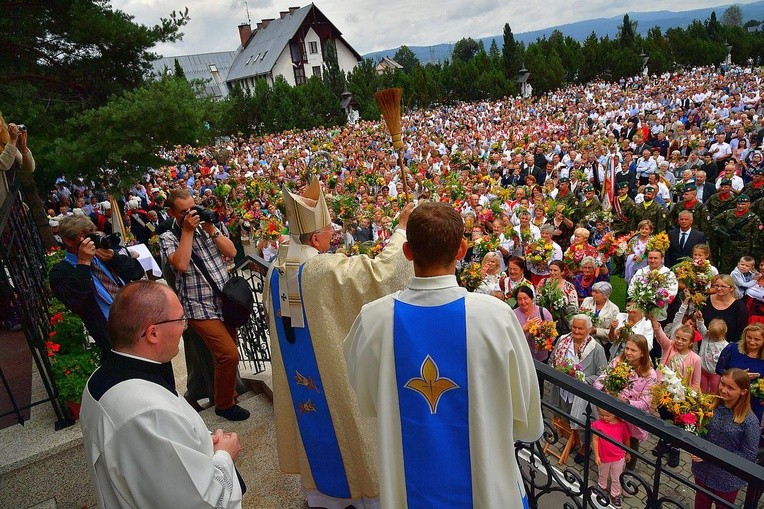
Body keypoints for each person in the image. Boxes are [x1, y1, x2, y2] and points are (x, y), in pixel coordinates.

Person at [344, 202, 543, 507]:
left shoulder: (373, 319)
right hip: (487, 485)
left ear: (407, 252)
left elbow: (369, 400)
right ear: (462, 250)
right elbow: (527, 414)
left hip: (408, 490)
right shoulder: (497, 317)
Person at [264, 178, 414, 509]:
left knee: (313, 422)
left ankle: (320, 498)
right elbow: (381, 276)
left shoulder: (276, 268)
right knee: (345, 427)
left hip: (299, 369)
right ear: (315, 237)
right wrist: (402, 229)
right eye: (329, 230)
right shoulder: (322, 269)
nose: (333, 234)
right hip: (331, 379)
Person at [79, 280, 244, 509]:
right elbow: (197, 502)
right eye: (180, 320)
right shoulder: (146, 411)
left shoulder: (102, 377)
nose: (184, 327)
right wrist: (225, 455)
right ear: (153, 333)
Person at [159, 188, 249, 421]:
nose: (190, 214)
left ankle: (228, 395)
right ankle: (224, 404)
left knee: (228, 354)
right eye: (183, 211)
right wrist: (187, 231)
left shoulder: (205, 227)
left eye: (193, 208)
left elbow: (230, 251)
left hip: (224, 302)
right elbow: (180, 264)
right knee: (229, 355)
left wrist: (211, 229)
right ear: (172, 213)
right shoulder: (168, 236)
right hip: (198, 307)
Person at [49, 215, 145, 355]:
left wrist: (114, 258)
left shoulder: (102, 254)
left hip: (139, 317)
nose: (91, 241)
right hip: (112, 332)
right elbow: (75, 300)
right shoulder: (61, 272)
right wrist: (83, 264)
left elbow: (137, 272)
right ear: (67, 241)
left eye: (91, 234)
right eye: (84, 237)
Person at [691, 368, 760, 509]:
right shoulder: (711, 404)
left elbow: (748, 455)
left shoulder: (750, 421)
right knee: (700, 504)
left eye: (731, 388)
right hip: (702, 470)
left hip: (727, 479)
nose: (723, 390)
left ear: (743, 392)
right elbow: (700, 430)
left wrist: (709, 453)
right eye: (722, 383)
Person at [548, 314, 608, 464]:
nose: (576, 331)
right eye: (574, 327)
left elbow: (602, 375)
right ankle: (570, 437)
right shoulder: (563, 340)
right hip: (562, 390)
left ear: (588, 330)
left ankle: (585, 446)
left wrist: (581, 379)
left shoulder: (596, 349)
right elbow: (551, 360)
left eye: (580, 328)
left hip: (581, 394)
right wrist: (557, 372)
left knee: (582, 423)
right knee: (563, 415)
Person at [594, 334, 657, 471]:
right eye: (627, 348)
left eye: (633, 350)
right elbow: (598, 381)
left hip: (631, 421)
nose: (628, 352)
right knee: (608, 444)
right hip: (611, 417)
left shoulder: (650, 374)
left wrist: (627, 402)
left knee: (630, 448)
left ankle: (628, 474)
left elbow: (646, 403)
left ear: (642, 353)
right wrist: (606, 388)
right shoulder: (617, 361)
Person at [715, 323, 764, 423]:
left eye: (757, 339)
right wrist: (739, 376)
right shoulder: (732, 349)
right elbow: (719, 368)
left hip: (754, 402)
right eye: (749, 337)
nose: (751, 341)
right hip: (728, 397)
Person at [712, 194, 762, 274]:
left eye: (743, 204)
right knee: (725, 268)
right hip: (728, 245)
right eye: (738, 204)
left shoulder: (753, 218)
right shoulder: (728, 213)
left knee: (741, 270)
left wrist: (753, 250)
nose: (740, 206)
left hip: (743, 248)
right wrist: (721, 231)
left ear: (748, 204)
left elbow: (756, 235)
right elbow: (714, 221)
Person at [592, 408, 631, 508]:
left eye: (607, 415)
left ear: (614, 414)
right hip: (603, 456)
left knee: (617, 477)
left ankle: (615, 494)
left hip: (618, 457)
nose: (604, 418)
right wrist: (596, 455)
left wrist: (628, 453)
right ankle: (601, 487)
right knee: (603, 473)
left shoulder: (622, 426)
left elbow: (626, 440)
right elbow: (595, 440)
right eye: (601, 415)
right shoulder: (598, 424)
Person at [700, 274, 749, 343]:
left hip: (728, 345)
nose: (719, 288)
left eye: (723, 286)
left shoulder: (739, 307)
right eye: (717, 286)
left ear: (731, 288)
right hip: (704, 343)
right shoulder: (705, 300)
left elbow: (741, 331)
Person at [0, 113, 34, 206]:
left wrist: (24, 148)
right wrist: (12, 140)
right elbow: (3, 164)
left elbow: (29, 169)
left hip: (11, 202)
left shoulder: (6, 143)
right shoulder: (10, 144)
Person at [514, 285, 554, 362]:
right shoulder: (513, 315)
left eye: (525, 298)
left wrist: (544, 343)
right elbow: (511, 336)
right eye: (519, 299)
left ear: (531, 298)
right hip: (523, 358)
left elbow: (553, 334)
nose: (523, 302)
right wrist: (524, 328)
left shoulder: (543, 312)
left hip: (542, 358)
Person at [580, 281, 620, 353]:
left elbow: (614, 332)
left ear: (606, 295)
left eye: (596, 292)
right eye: (593, 291)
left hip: (601, 344)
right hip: (583, 338)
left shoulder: (614, 309)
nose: (593, 294)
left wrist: (596, 331)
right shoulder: (587, 301)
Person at [698, 318, 729, 395]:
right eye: (712, 335)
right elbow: (701, 328)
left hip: (715, 373)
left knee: (714, 390)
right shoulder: (706, 336)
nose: (714, 337)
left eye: (717, 336)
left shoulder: (726, 346)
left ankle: (713, 405)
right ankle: (702, 405)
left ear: (724, 333)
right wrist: (700, 319)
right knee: (702, 391)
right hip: (703, 370)